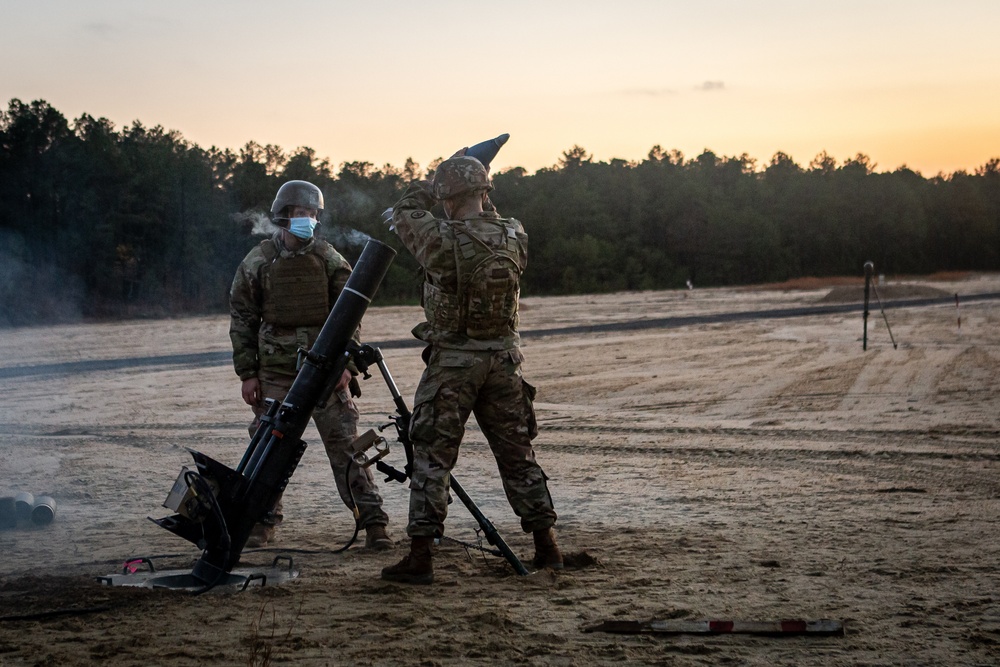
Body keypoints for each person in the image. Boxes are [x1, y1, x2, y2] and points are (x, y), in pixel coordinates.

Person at [380, 153, 561, 585]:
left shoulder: (439, 239)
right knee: (519, 457)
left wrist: (427, 184)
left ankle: (421, 555)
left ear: (446, 197)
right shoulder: (515, 233)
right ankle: (547, 546)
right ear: (485, 191)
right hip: (505, 363)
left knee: (432, 457)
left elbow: (406, 213)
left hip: (454, 366)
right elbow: (487, 221)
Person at [229, 179, 393, 550]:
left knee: (346, 446)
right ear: (284, 216)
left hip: (325, 372)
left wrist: (347, 364)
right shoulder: (259, 261)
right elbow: (242, 317)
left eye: (313, 214)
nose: (308, 220)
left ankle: (373, 523)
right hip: (275, 372)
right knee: (268, 449)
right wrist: (247, 373)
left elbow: (352, 313)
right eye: (301, 214)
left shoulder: (329, 258)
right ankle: (261, 520)